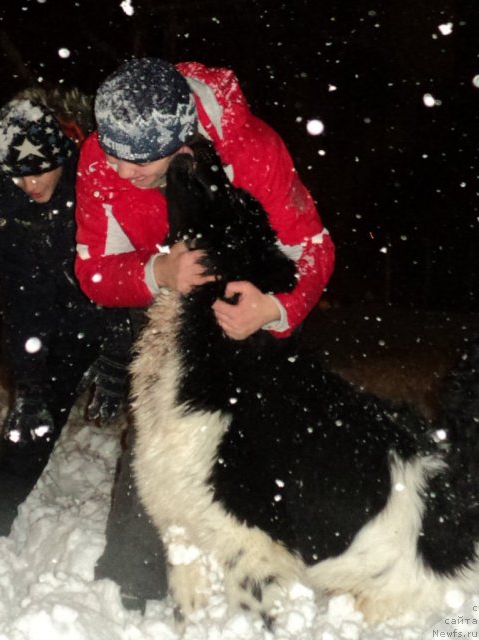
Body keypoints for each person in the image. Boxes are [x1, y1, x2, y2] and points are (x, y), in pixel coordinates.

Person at [74, 57, 335, 609]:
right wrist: (157, 272)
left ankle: (278, 552)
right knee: (161, 436)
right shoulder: (101, 156)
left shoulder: (254, 150)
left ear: (180, 135)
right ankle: (133, 574)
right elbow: (94, 269)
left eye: (138, 161)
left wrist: (274, 309)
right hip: (160, 305)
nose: (120, 172)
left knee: (260, 430)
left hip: (247, 305)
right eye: (113, 156)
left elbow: (312, 248)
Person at [0, 97, 133, 535]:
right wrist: (28, 385)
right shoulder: (10, 207)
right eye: (20, 174)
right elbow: (23, 300)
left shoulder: (97, 182)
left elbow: (134, 266)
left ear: (61, 157)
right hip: (61, 323)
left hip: (116, 312)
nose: (31, 184)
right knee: (34, 422)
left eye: (40, 169)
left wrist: (118, 352)